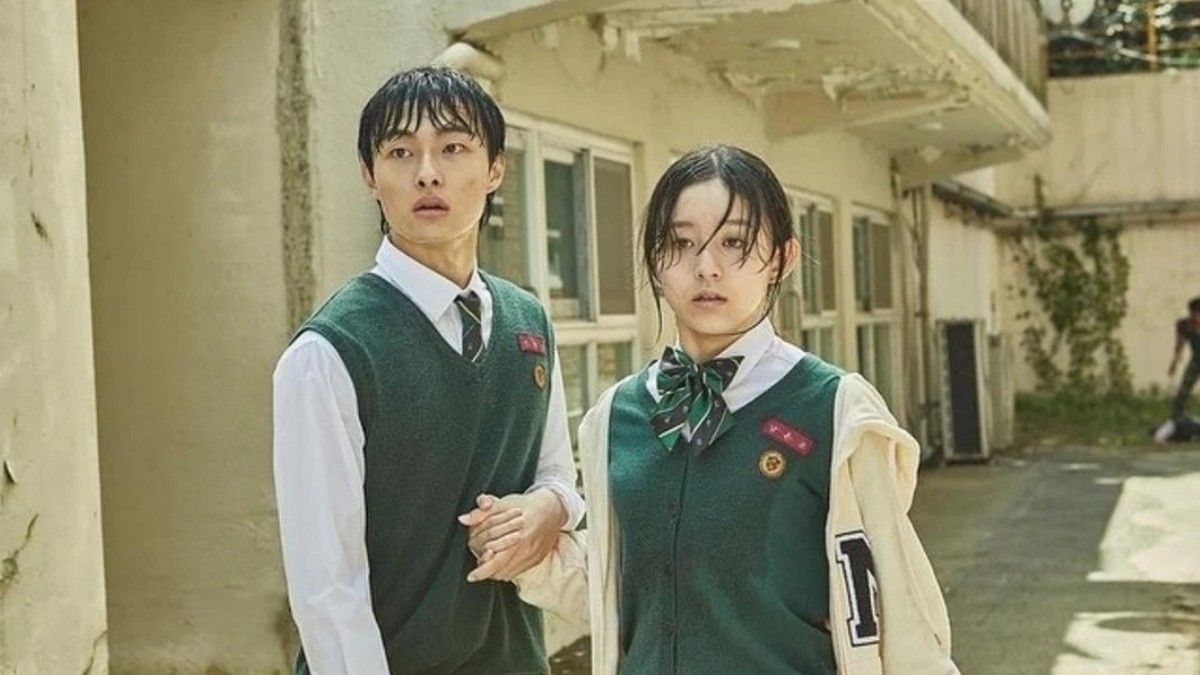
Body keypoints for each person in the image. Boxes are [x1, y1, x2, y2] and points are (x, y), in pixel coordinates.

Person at [464, 145, 959, 674]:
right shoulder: (617, 416)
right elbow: (619, 589)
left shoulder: (835, 410)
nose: (706, 268)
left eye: (734, 243)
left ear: (782, 259)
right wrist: (523, 546)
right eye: (681, 243)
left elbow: (902, 614)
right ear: (656, 264)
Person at [272, 66, 584, 675]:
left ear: (495, 169)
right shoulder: (328, 353)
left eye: (453, 148)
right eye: (400, 152)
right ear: (370, 176)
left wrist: (550, 508)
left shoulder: (529, 322)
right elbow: (327, 588)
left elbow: (557, 475)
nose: (427, 173)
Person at [1168, 296, 1200, 421]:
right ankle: (1177, 415)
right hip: (1197, 360)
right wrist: (1175, 362)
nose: (1197, 318)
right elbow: (1180, 343)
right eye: (1195, 314)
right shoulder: (1185, 325)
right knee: (1185, 387)